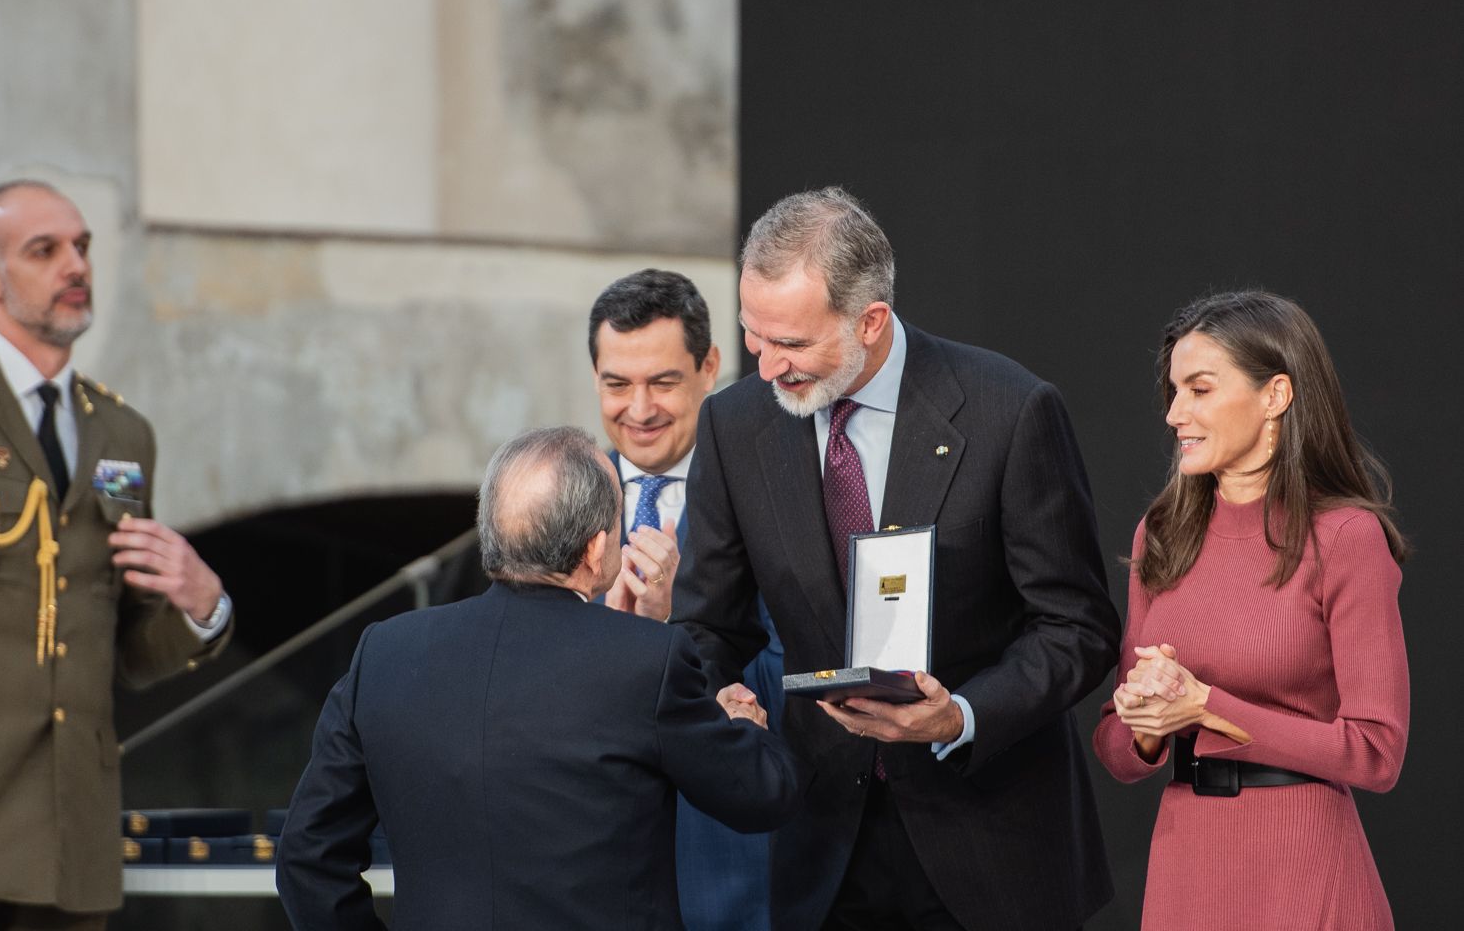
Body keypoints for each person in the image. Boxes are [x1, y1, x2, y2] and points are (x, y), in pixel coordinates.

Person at [672, 186, 1120, 930]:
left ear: (870, 322)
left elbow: (1078, 628)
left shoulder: (1008, 410)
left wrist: (961, 716)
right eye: (754, 335)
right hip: (823, 849)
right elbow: (707, 625)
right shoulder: (733, 425)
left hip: (990, 840)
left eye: (792, 343)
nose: (768, 366)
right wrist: (717, 697)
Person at [276, 425, 799, 931]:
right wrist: (743, 724)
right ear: (595, 548)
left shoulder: (384, 655)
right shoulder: (645, 660)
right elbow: (759, 794)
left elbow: (307, 859)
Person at [1093, 290, 1409, 931]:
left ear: (1276, 395)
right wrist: (1149, 722)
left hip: (1300, 866)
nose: (1175, 413)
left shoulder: (1345, 536)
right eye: (1173, 391)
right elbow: (1117, 751)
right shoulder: (1162, 531)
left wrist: (1205, 707)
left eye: (1200, 389)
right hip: (1185, 870)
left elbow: (1377, 753)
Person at [0, 180, 233, 930]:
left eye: (81, 246)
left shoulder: (122, 433)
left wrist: (202, 606)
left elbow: (126, 647)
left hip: (72, 834)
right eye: (43, 250)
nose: (76, 264)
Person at [589, 268, 785, 930]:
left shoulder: (773, 497)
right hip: (592, 876)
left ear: (710, 368)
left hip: (726, 870)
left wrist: (682, 625)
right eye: (617, 384)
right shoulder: (555, 504)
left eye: (663, 382)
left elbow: (798, 674)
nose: (639, 409)